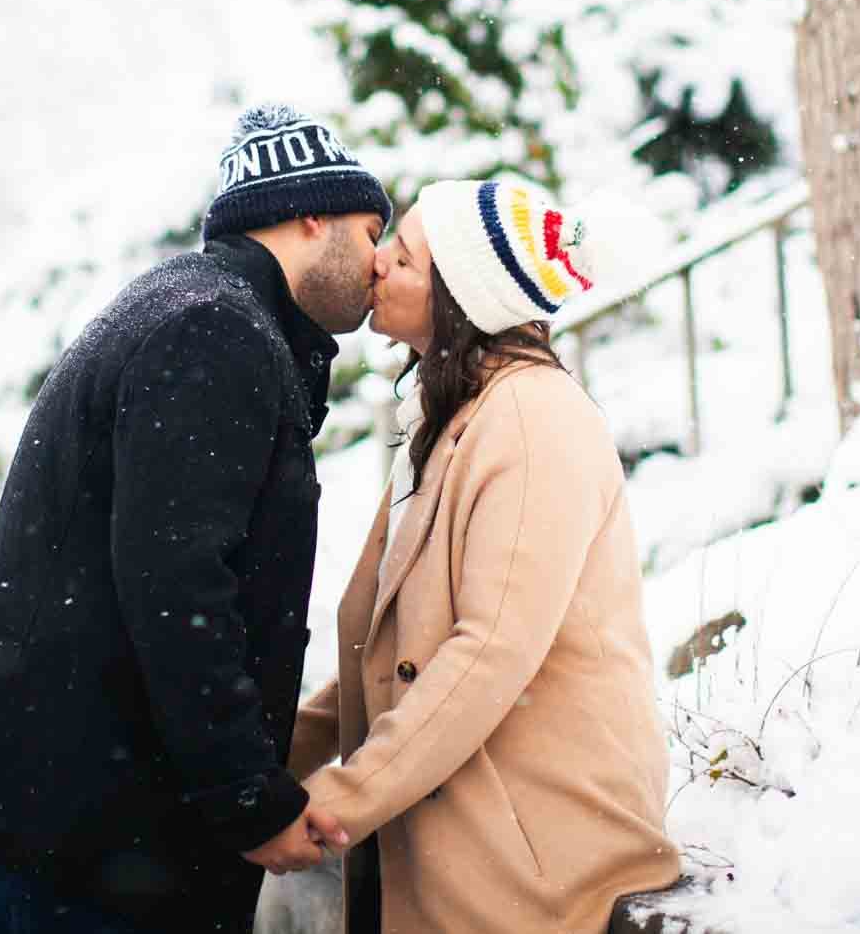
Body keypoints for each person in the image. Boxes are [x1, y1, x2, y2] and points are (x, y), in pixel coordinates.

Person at [0, 104, 388, 934]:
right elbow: (178, 588)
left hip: (76, 810)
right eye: (368, 231)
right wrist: (250, 801)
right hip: (96, 833)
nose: (378, 262)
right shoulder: (215, 329)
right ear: (310, 213)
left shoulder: (186, 303)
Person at [289, 179, 681, 933]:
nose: (376, 265)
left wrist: (341, 797)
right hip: (466, 844)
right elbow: (391, 645)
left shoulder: (537, 422)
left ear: (459, 298)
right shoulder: (455, 417)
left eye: (403, 259)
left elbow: (489, 652)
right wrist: (266, 770)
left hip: (540, 859)